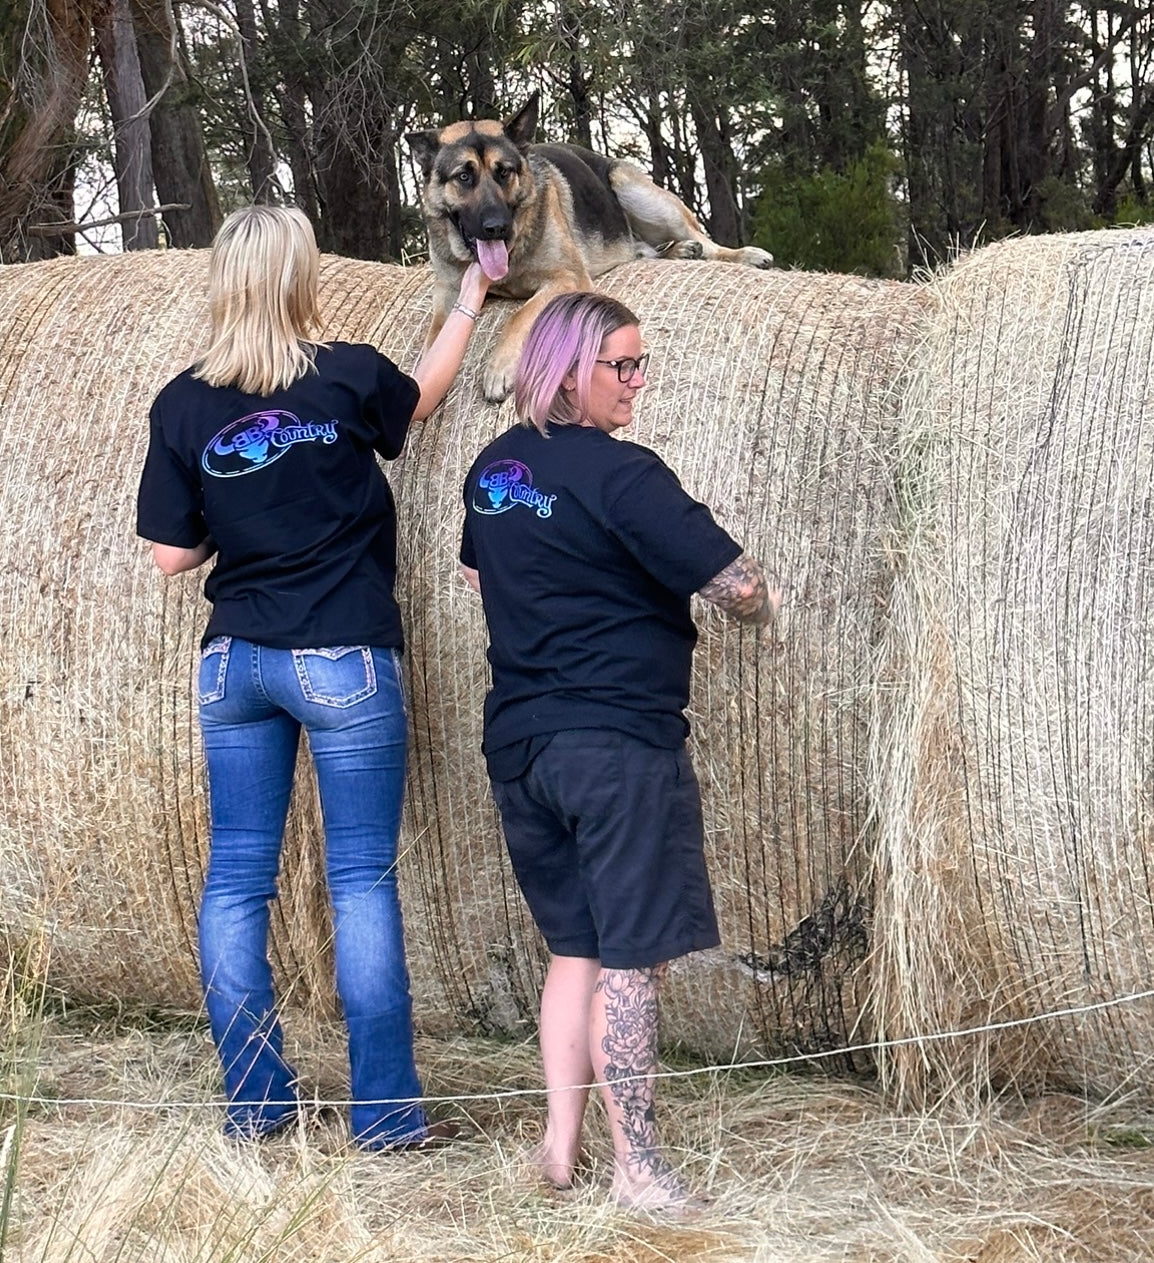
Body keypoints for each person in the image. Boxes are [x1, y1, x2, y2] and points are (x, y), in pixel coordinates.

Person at [137, 203, 490, 1146]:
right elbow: (422, 394)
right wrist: (471, 301)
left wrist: (240, 520)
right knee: (362, 881)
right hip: (341, 656)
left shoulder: (182, 401)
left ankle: (255, 1102)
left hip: (234, 664)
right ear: (301, 277)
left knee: (235, 883)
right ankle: (383, 1115)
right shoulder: (345, 374)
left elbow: (171, 557)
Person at [458, 289, 778, 1212]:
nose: (639, 382)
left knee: (575, 951)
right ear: (567, 370)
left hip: (522, 743)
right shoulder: (627, 475)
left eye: (642, 363)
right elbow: (739, 583)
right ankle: (637, 1166)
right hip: (618, 746)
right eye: (622, 366)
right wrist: (760, 605)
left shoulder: (492, 469)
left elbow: (481, 566)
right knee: (632, 962)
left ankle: (558, 1151)